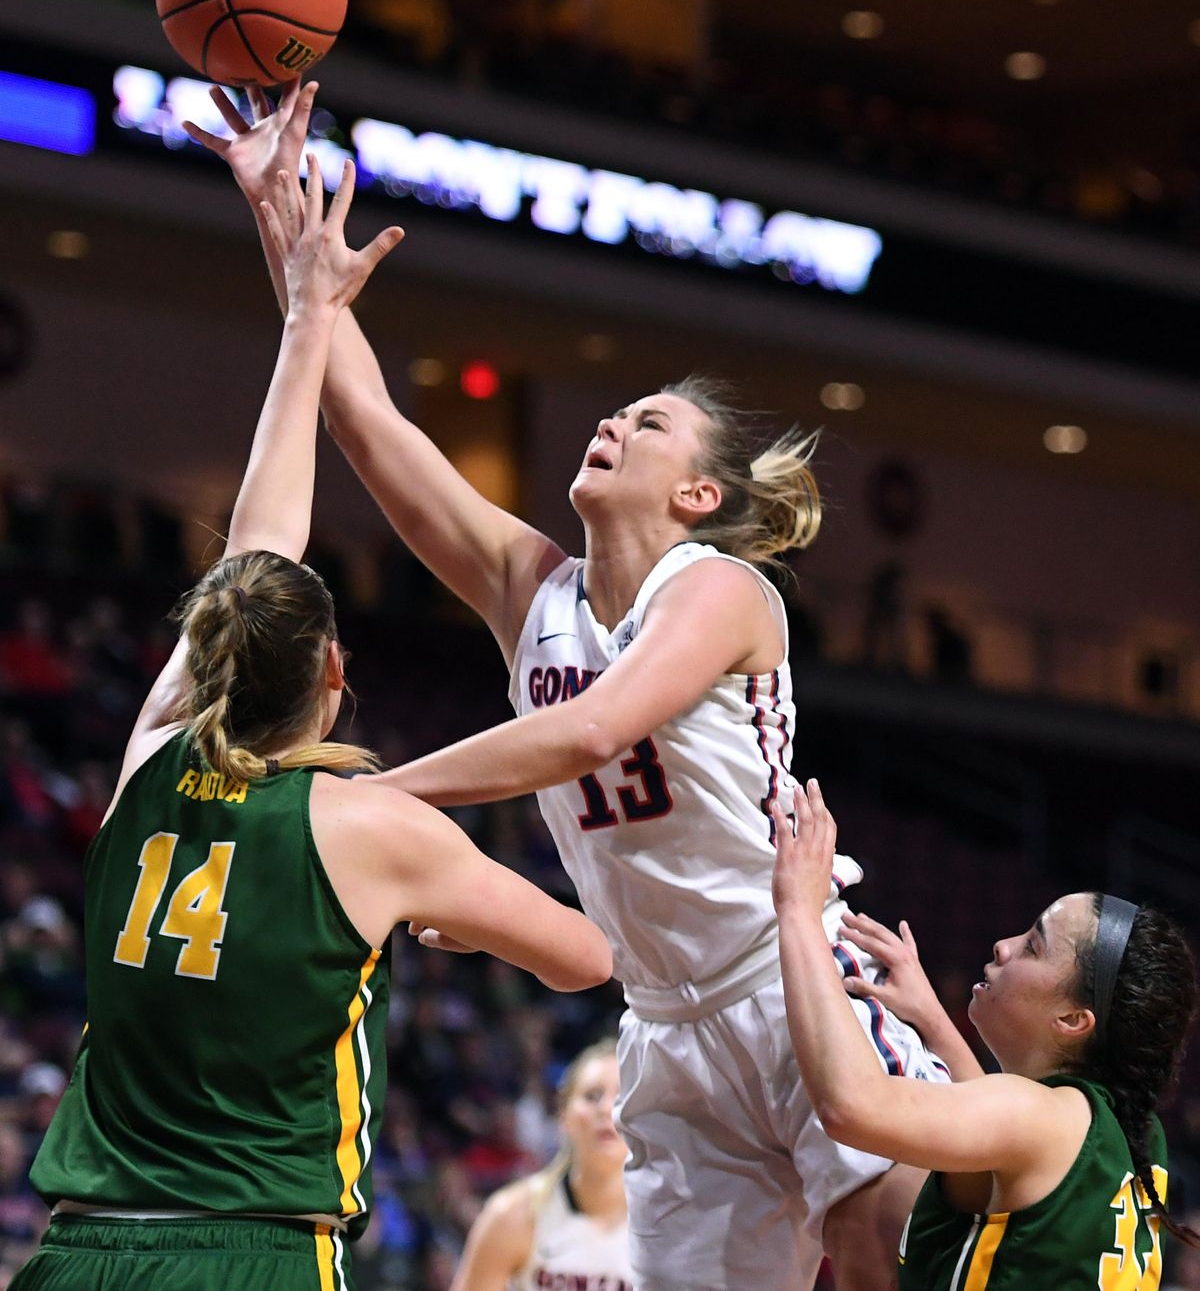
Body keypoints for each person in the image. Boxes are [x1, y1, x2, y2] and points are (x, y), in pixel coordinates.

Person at [188, 79, 945, 1291]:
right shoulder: (528, 590)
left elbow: (588, 730)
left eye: (647, 424)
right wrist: (287, 230)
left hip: (786, 974)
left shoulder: (723, 591)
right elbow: (368, 418)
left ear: (697, 496)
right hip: (666, 1026)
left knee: (873, 1247)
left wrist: (376, 798)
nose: (613, 419)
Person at [12, 158, 611, 1291]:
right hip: (261, 1254)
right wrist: (457, 922)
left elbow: (258, 546)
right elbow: (587, 957)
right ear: (337, 671)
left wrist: (305, 314)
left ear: (210, 660)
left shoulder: (143, 765)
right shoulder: (375, 830)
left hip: (82, 1251)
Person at [771, 776, 1199, 1289]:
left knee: (878, 1195)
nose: (1003, 945)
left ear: (1072, 1021)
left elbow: (851, 1106)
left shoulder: (1048, 1117)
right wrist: (933, 1020)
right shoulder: (1134, 1134)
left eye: (1034, 947)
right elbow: (1004, 1135)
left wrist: (797, 907)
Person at [451, 1039, 632, 1291]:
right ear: (563, 1115)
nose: (606, 1109)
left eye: (622, 1097)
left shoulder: (668, 1226)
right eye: (592, 1096)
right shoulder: (511, 1215)